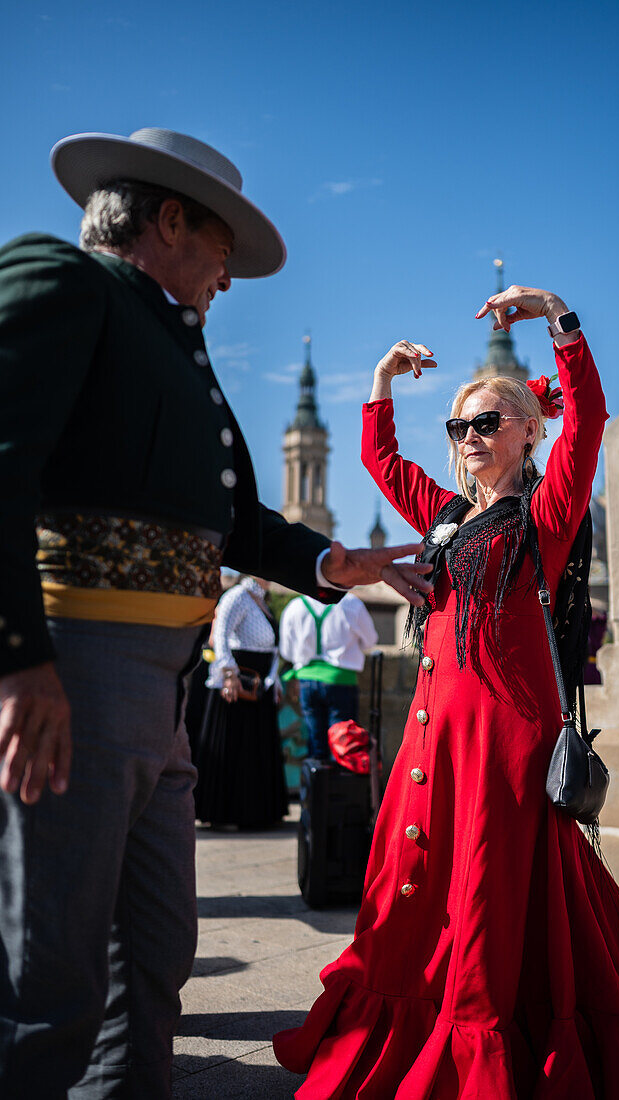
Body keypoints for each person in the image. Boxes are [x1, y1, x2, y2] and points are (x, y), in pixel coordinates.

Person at [0, 127, 433, 1100]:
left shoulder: (178, 346)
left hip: (162, 681)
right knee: (48, 971)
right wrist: (19, 658)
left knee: (153, 949)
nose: (228, 280)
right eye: (223, 250)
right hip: (75, 665)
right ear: (168, 221)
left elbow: (237, 520)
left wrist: (330, 559)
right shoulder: (66, 284)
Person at [274, 286, 619, 1097]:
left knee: (492, 898)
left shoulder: (544, 515)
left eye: (490, 421)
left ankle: (495, 1039)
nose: (473, 436)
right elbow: (382, 463)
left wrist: (560, 320)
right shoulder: (446, 517)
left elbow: (587, 422)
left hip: (502, 747)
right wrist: (382, 378)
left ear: (527, 430)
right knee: (422, 890)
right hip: (433, 742)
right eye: (461, 426)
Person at [193, 575, 288, 829]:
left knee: (253, 751)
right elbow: (220, 633)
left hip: (259, 686)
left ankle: (254, 813)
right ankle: (225, 813)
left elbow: (273, 648)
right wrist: (228, 674)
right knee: (234, 748)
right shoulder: (237, 596)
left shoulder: (261, 600)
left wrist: (274, 681)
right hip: (239, 682)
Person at [279, 591, 378, 760]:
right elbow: (370, 640)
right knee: (342, 746)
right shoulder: (351, 603)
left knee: (314, 743)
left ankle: (315, 786)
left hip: (307, 681)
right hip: (341, 679)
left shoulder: (294, 606)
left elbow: (287, 652)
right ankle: (339, 786)